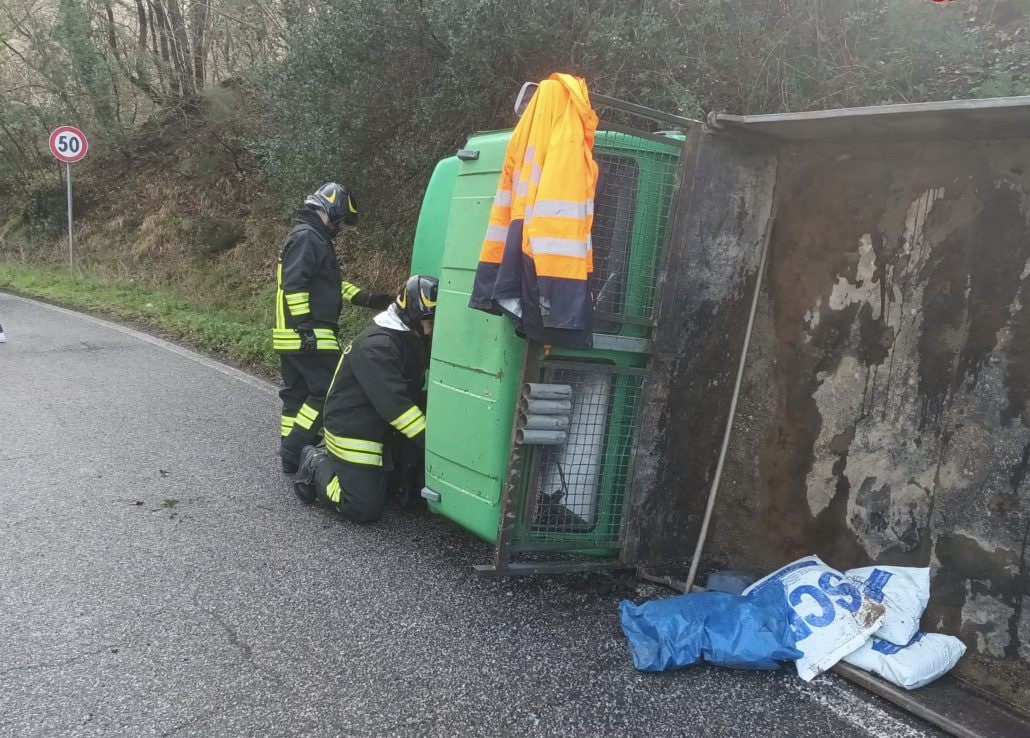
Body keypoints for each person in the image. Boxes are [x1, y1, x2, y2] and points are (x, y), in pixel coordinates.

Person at [293, 274, 438, 524]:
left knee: (396, 495)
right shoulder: (377, 347)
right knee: (362, 508)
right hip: (354, 426)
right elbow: (396, 408)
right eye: (430, 321)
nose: (434, 328)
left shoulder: (410, 336)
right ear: (413, 316)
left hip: (380, 423)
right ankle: (316, 463)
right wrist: (435, 445)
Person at [274, 182, 395, 473]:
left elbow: (328, 284)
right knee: (329, 390)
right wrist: (305, 327)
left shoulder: (310, 236)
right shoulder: (308, 237)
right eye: (339, 221)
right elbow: (295, 283)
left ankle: (293, 454)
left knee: (297, 396)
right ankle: (294, 450)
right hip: (309, 334)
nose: (339, 228)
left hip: (290, 335)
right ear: (329, 209)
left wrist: (367, 299)